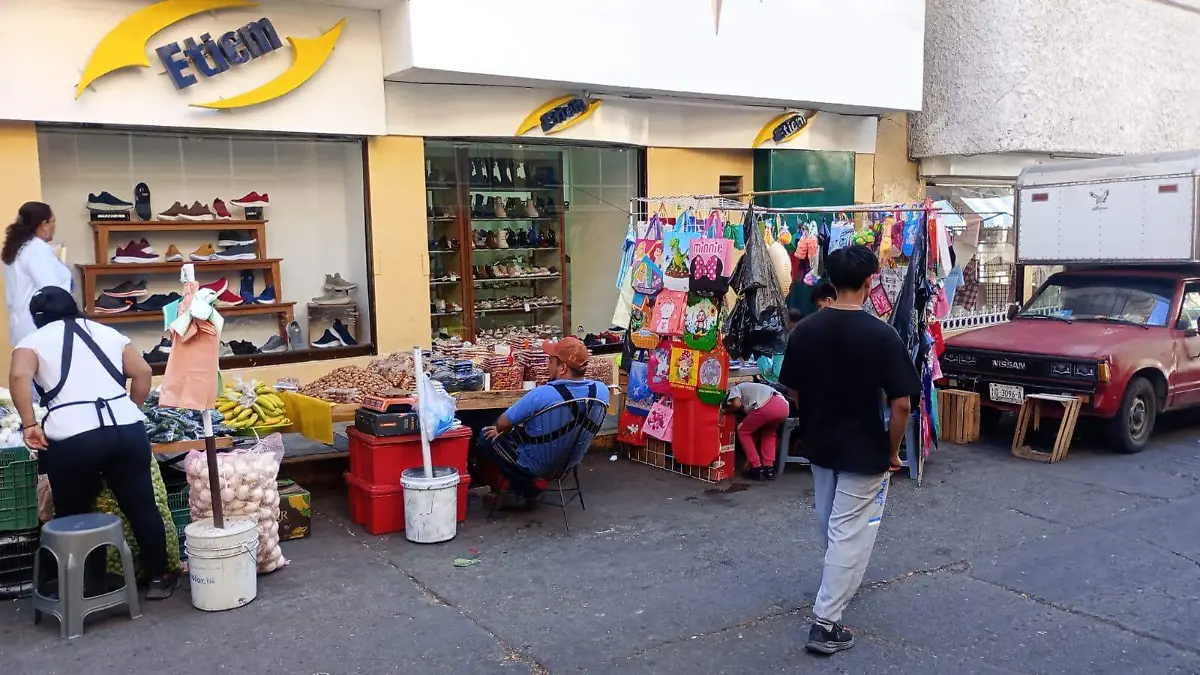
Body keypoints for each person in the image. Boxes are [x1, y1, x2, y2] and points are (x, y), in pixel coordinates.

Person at [778, 245, 920, 655]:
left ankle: (836, 589)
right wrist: (893, 451)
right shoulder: (881, 334)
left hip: (820, 443)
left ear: (831, 282)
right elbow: (902, 404)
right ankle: (825, 621)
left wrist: (815, 422)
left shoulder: (805, 330)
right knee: (847, 532)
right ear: (869, 281)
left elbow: (794, 389)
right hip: (863, 449)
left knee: (830, 524)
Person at [9, 287, 177, 599]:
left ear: (37, 318)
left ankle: (90, 583)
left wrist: (30, 424)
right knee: (141, 505)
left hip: (73, 437)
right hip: (126, 429)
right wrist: (131, 409)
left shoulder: (30, 343)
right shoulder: (109, 333)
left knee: (74, 511)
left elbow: (19, 377)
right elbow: (141, 372)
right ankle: (159, 577)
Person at [479, 337, 610, 508]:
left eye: (550, 361)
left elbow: (502, 423)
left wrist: (502, 429)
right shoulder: (601, 391)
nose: (547, 365)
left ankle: (527, 489)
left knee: (485, 434)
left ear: (562, 367)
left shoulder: (542, 394)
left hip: (537, 464)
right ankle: (518, 491)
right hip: (570, 460)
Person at [2, 202, 72, 347]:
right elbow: (52, 290)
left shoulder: (15, 248)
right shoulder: (37, 249)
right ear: (43, 225)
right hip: (38, 327)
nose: (54, 226)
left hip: (19, 326)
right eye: (53, 221)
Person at [724, 381, 789, 481]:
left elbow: (736, 404)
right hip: (783, 406)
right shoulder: (754, 387)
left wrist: (727, 410)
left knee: (743, 430)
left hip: (768, 406)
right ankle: (769, 469)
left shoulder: (736, 388)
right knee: (769, 433)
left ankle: (756, 468)